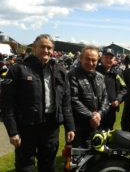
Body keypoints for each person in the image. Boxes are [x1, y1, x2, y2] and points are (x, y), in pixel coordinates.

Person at [1, 34, 75, 172]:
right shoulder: (18, 70)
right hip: (26, 127)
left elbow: (65, 101)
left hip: (51, 128)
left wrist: (70, 126)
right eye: (42, 47)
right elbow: (7, 104)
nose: (46, 50)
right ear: (34, 48)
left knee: (48, 165)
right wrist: (12, 131)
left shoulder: (59, 70)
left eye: (49, 48)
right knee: (25, 167)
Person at [68, 46, 109, 148]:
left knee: (94, 152)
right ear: (81, 58)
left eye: (94, 60)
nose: (91, 63)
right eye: (87, 59)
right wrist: (91, 115)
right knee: (77, 155)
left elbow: (105, 97)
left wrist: (99, 114)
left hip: (96, 122)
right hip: (78, 123)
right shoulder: (72, 75)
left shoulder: (100, 77)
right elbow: (73, 99)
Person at [96, 48, 127, 130]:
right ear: (101, 58)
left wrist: (118, 99)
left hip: (111, 109)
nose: (108, 60)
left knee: (108, 132)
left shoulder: (117, 73)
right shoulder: (95, 71)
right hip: (96, 109)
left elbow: (124, 88)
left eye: (111, 58)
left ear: (114, 60)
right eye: (106, 57)